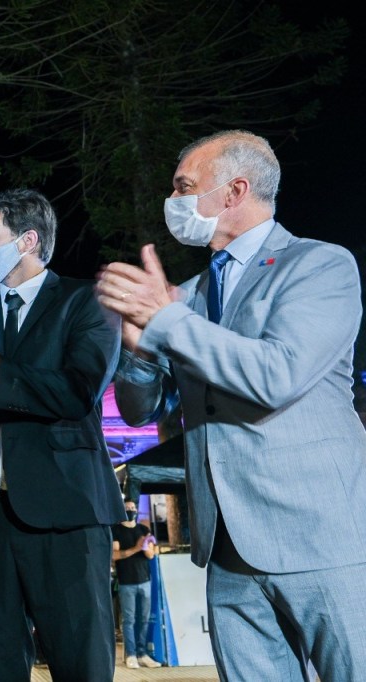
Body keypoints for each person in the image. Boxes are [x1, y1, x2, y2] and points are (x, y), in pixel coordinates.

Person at [97, 129, 366, 681]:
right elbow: (141, 411)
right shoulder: (189, 294)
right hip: (227, 550)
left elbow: (277, 375)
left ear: (234, 191)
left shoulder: (319, 265)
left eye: (184, 187)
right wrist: (140, 351)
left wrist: (167, 319)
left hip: (320, 539)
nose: (172, 201)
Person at [0, 188, 125, 681]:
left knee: (79, 659)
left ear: (28, 240)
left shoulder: (85, 302)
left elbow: (77, 393)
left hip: (65, 509)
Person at [111, 498, 161, 669]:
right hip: (126, 583)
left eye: (133, 507)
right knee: (129, 620)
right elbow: (115, 555)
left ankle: (142, 653)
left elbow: (151, 554)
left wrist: (145, 546)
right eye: (127, 508)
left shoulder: (143, 530)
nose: (131, 510)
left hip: (145, 580)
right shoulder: (116, 530)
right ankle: (131, 654)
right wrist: (136, 548)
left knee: (144, 619)